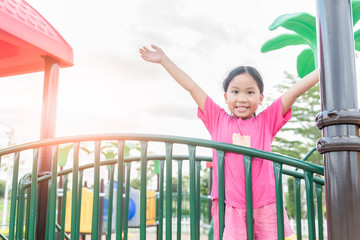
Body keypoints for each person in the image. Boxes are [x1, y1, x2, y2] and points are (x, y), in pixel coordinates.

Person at [139, 44, 319, 240]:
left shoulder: (266, 121)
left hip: (266, 202)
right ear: (226, 97)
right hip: (231, 203)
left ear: (261, 98)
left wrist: (323, 69)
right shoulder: (217, 119)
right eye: (235, 92)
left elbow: (293, 92)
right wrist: (164, 60)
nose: (242, 98)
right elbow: (191, 87)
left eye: (250, 92)